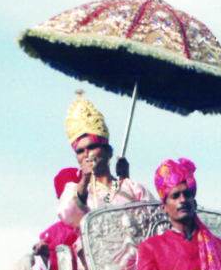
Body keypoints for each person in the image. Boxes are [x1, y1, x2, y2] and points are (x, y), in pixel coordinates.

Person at [58, 92, 152, 229]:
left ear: (108, 152)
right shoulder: (76, 190)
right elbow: (68, 216)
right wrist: (85, 180)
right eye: (80, 151)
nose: (86, 154)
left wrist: (123, 179)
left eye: (91, 147)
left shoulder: (130, 187)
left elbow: (154, 220)